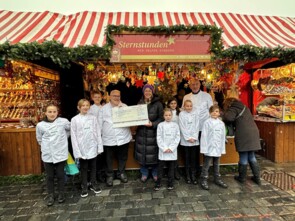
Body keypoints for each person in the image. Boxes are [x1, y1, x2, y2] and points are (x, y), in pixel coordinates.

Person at [36, 104, 70, 206]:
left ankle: (61, 193)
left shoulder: (63, 121)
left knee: (60, 175)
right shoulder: (40, 125)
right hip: (48, 154)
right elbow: (39, 139)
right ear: (45, 113)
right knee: (49, 176)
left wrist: (62, 141)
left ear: (57, 112)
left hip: (60, 153)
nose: (52, 114)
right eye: (49, 112)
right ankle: (50, 195)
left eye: (54, 112)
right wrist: (47, 147)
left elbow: (70, 130)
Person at [222, 97, 261, 185]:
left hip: (243, 134)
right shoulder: (244, 107)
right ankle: (257, 178)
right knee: (251, 156)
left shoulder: (233, 108)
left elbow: (228, 118)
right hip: (253, 132)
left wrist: (223, 114)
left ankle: (242, 178)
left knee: (243, 156)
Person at [98, 89, 132, 187]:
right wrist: (99, 138)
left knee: (123, 157)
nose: (116, 98)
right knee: (108, 159)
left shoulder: (125, 107)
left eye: (118, 96)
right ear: (110, 96)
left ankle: (121, 173)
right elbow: (99, 124)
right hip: (108, 139)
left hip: (123, 137)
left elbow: (131, 120)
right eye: (114, 96)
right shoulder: (103, 109)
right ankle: (109, 175)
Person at [71, 99, 103, 197]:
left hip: (92, 146)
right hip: (82, 147)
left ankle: (93, 183)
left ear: (89, 107)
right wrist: (77, 151)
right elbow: (73, 136)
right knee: (84, 167)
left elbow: (98, 132)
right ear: (79, 107)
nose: (85, 107)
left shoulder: (93, 118)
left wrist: (99, 147)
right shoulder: (75, 119)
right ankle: (84, 185)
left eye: (87, 105)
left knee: (93, 166)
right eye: (83, 105)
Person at [182, 78, 213, 174]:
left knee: (204, 149)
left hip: (204, 127)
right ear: (190, 86)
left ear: (200, 85)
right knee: (193, 152)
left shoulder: (207, 96)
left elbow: (211, 110)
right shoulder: (186, 97)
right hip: (192, 129)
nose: (195, 86)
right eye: (193, 84)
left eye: (196, 84)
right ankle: (194, 171)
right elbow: (184, 112)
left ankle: (205, 171)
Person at [134, 84, 164, 183]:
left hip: (154, 132)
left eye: (149, 91)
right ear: (143, 92)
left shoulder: (158, 104)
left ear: (152, 92)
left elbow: (162, 118)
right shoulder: (139, 103)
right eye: (146, 91)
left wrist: (153, 124)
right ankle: (144, 173)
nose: (147, 92)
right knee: (143, 153)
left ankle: (155, 173)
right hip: (142, 133)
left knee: (154, 153)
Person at [200, 105, 228, 190]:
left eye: (216, 111)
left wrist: (222, 146)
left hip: (218, 147)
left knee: (217, 163)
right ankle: (204, 179)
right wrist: (204, 147)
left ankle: (217, 178)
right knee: (207, 164)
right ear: (210, 113)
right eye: (213, 111)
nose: (215, 113)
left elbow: (223, 136)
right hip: (209, 147)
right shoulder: (207, 122)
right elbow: (204, 136)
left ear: (219, 113)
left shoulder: (221, 123)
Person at [154, 108, 180, 191]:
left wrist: (171, 148)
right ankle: (158, 183)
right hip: (163, 151)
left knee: (171, 168)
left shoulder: (175, 125)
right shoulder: (160, 125)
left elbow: (177, 137)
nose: (168, 117)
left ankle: (170, 183)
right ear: (163, 116)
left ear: (172, 116)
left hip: (172, 150)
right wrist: (164, 148)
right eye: (166, 115)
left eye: (169, 115)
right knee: (160, 168)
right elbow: (159, 137)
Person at [179, 100, 199, 185]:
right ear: (184, 106)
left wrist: (194, 137)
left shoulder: (195, 114)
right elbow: (182, 126)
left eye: (190, 106)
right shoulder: (181, 114)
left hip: (194, 140)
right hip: (185, 140)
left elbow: (197, 125)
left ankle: (193, 175)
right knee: (187, 158)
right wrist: (187, 138)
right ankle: (187, 175)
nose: (189, 107)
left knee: (193, 159)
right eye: (187, 106)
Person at [88, 90, 106, 183]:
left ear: (101, 97)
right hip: (94, 134)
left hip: (104, 134)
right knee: (96, 155)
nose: (97, 99)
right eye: (95, 97)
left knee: (102, 155)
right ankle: (95, 174)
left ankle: (101, 173)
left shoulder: (104, 107)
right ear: (92, 98)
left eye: (99, 97)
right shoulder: (90, 109)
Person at [167, 97, 181, 180]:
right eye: (171, 103)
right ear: (169, 104)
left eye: (175, 103)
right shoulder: (167, 112)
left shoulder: (179, 113)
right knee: (168, 153)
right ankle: (169, 171)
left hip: (177, 136)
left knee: (176, 154)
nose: (173, 105)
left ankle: (176, 171)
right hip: (168, 136)